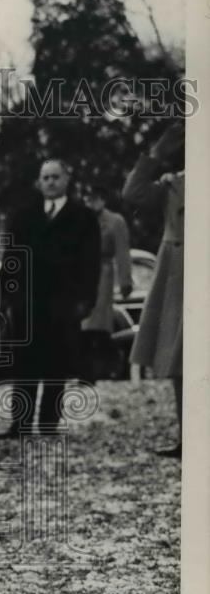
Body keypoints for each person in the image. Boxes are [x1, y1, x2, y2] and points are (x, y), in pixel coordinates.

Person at [0, 159, 101, 436]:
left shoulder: (83, 218)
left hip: (64, 302)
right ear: (39, 182)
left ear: (67, 179)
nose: (51, 182)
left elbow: (91, 262)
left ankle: (48, 424)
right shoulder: (23, 217)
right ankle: (20, 424)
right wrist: (9, 295)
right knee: (25, 365)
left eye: (56, 177)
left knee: (57, 365)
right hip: (28, 302)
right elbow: (11, 259)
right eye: (45, 177)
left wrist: (85, 300)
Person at [123, 123, 185, 458]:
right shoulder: (175, 182)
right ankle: (187, 436)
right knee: (181, 359)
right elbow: (133, 194)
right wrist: (157, 156)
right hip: (179, 276)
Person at [81, 186, 133, 381]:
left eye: (94, 198)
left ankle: (110, 368)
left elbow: (122, 252)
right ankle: (86, 373)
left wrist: (125, 281)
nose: (90, 202)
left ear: (103, 199)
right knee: (82, 326)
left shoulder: (115, 221)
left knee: (98, 326)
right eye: (86, 198)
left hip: (103, 274)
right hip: (82, 275)